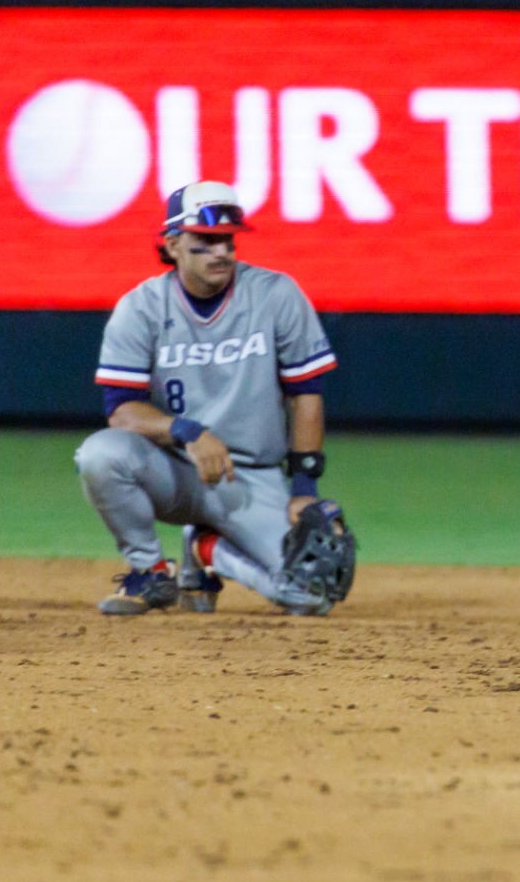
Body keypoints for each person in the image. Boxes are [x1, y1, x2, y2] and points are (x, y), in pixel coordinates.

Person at [77, 181, 355, 616]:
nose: (221, 251)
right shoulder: (141, 308)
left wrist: (304, 487)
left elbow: (306, 395)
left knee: (310, 593)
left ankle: (203, 549)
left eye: (227, 240)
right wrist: (186, 431)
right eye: (204, 242)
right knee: (100, 456)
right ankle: (149, 571)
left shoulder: (275, 295)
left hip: (249, 479)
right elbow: (122, 411)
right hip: (175, 470)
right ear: (172, 246)